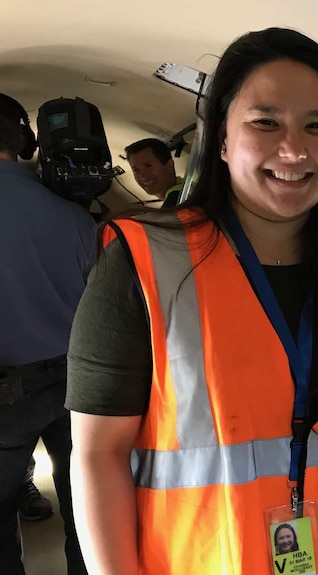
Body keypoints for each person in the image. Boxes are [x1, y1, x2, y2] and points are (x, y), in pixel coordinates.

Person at [67, 27, 318, 575]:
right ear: (222, 141)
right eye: (265, 122)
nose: (294, 149)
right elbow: (97, 455)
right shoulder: (142, 261)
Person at [0, 92, 93, 575]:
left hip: (5, 391)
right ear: (27, 141)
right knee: (85, 502)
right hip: (76, 381)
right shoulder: (75, 214)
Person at [125, 138, 184, 207]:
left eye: (148, 166)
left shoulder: (178, 196)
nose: (142, 176)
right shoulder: (184, 189)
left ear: (169, 165)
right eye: (136, 170)